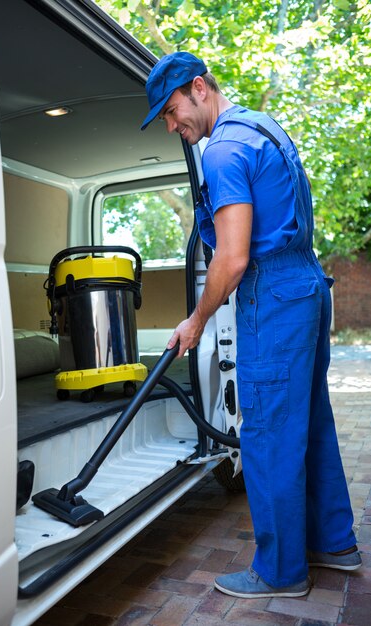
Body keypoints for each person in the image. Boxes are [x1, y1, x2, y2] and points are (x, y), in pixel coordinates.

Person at [141, 51, 361, 598]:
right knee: (309, 422)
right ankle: (335, 544)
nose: (173, 127)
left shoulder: (223, 151)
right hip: (307, 282)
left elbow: (233, 258)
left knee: (267, 433)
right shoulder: (263, 129)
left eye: (171, 112)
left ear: (198, 88)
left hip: (274, 295)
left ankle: (280, 572)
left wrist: (196, 320)